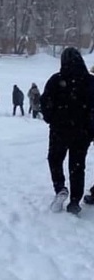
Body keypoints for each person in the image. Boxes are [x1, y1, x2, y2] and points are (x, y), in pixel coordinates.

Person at [41, 47, 94, 215]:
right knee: (77, 166)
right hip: (83, 132)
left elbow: (45, 103)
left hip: (60, 130)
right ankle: (74, 202)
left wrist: (51, 119)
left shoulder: (56, 80)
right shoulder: (90, 82)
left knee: (55, 159)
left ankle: (60, 188)